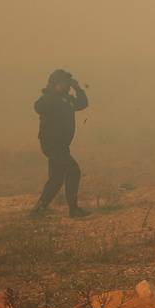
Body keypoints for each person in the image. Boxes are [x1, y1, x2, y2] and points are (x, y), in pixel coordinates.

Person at [32, 69, 90, 218]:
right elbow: (38, 106)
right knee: (73, 171)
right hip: (52, 145)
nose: (67, 87)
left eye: (68, 84)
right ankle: (73, 209)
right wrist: (52, 92)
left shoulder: (68, 100)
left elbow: (83, 103)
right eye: (64, 83)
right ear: (55, 84)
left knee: (56, 178)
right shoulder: (48, 99)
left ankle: (38, 209)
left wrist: (77, 88)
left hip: (62, 146)